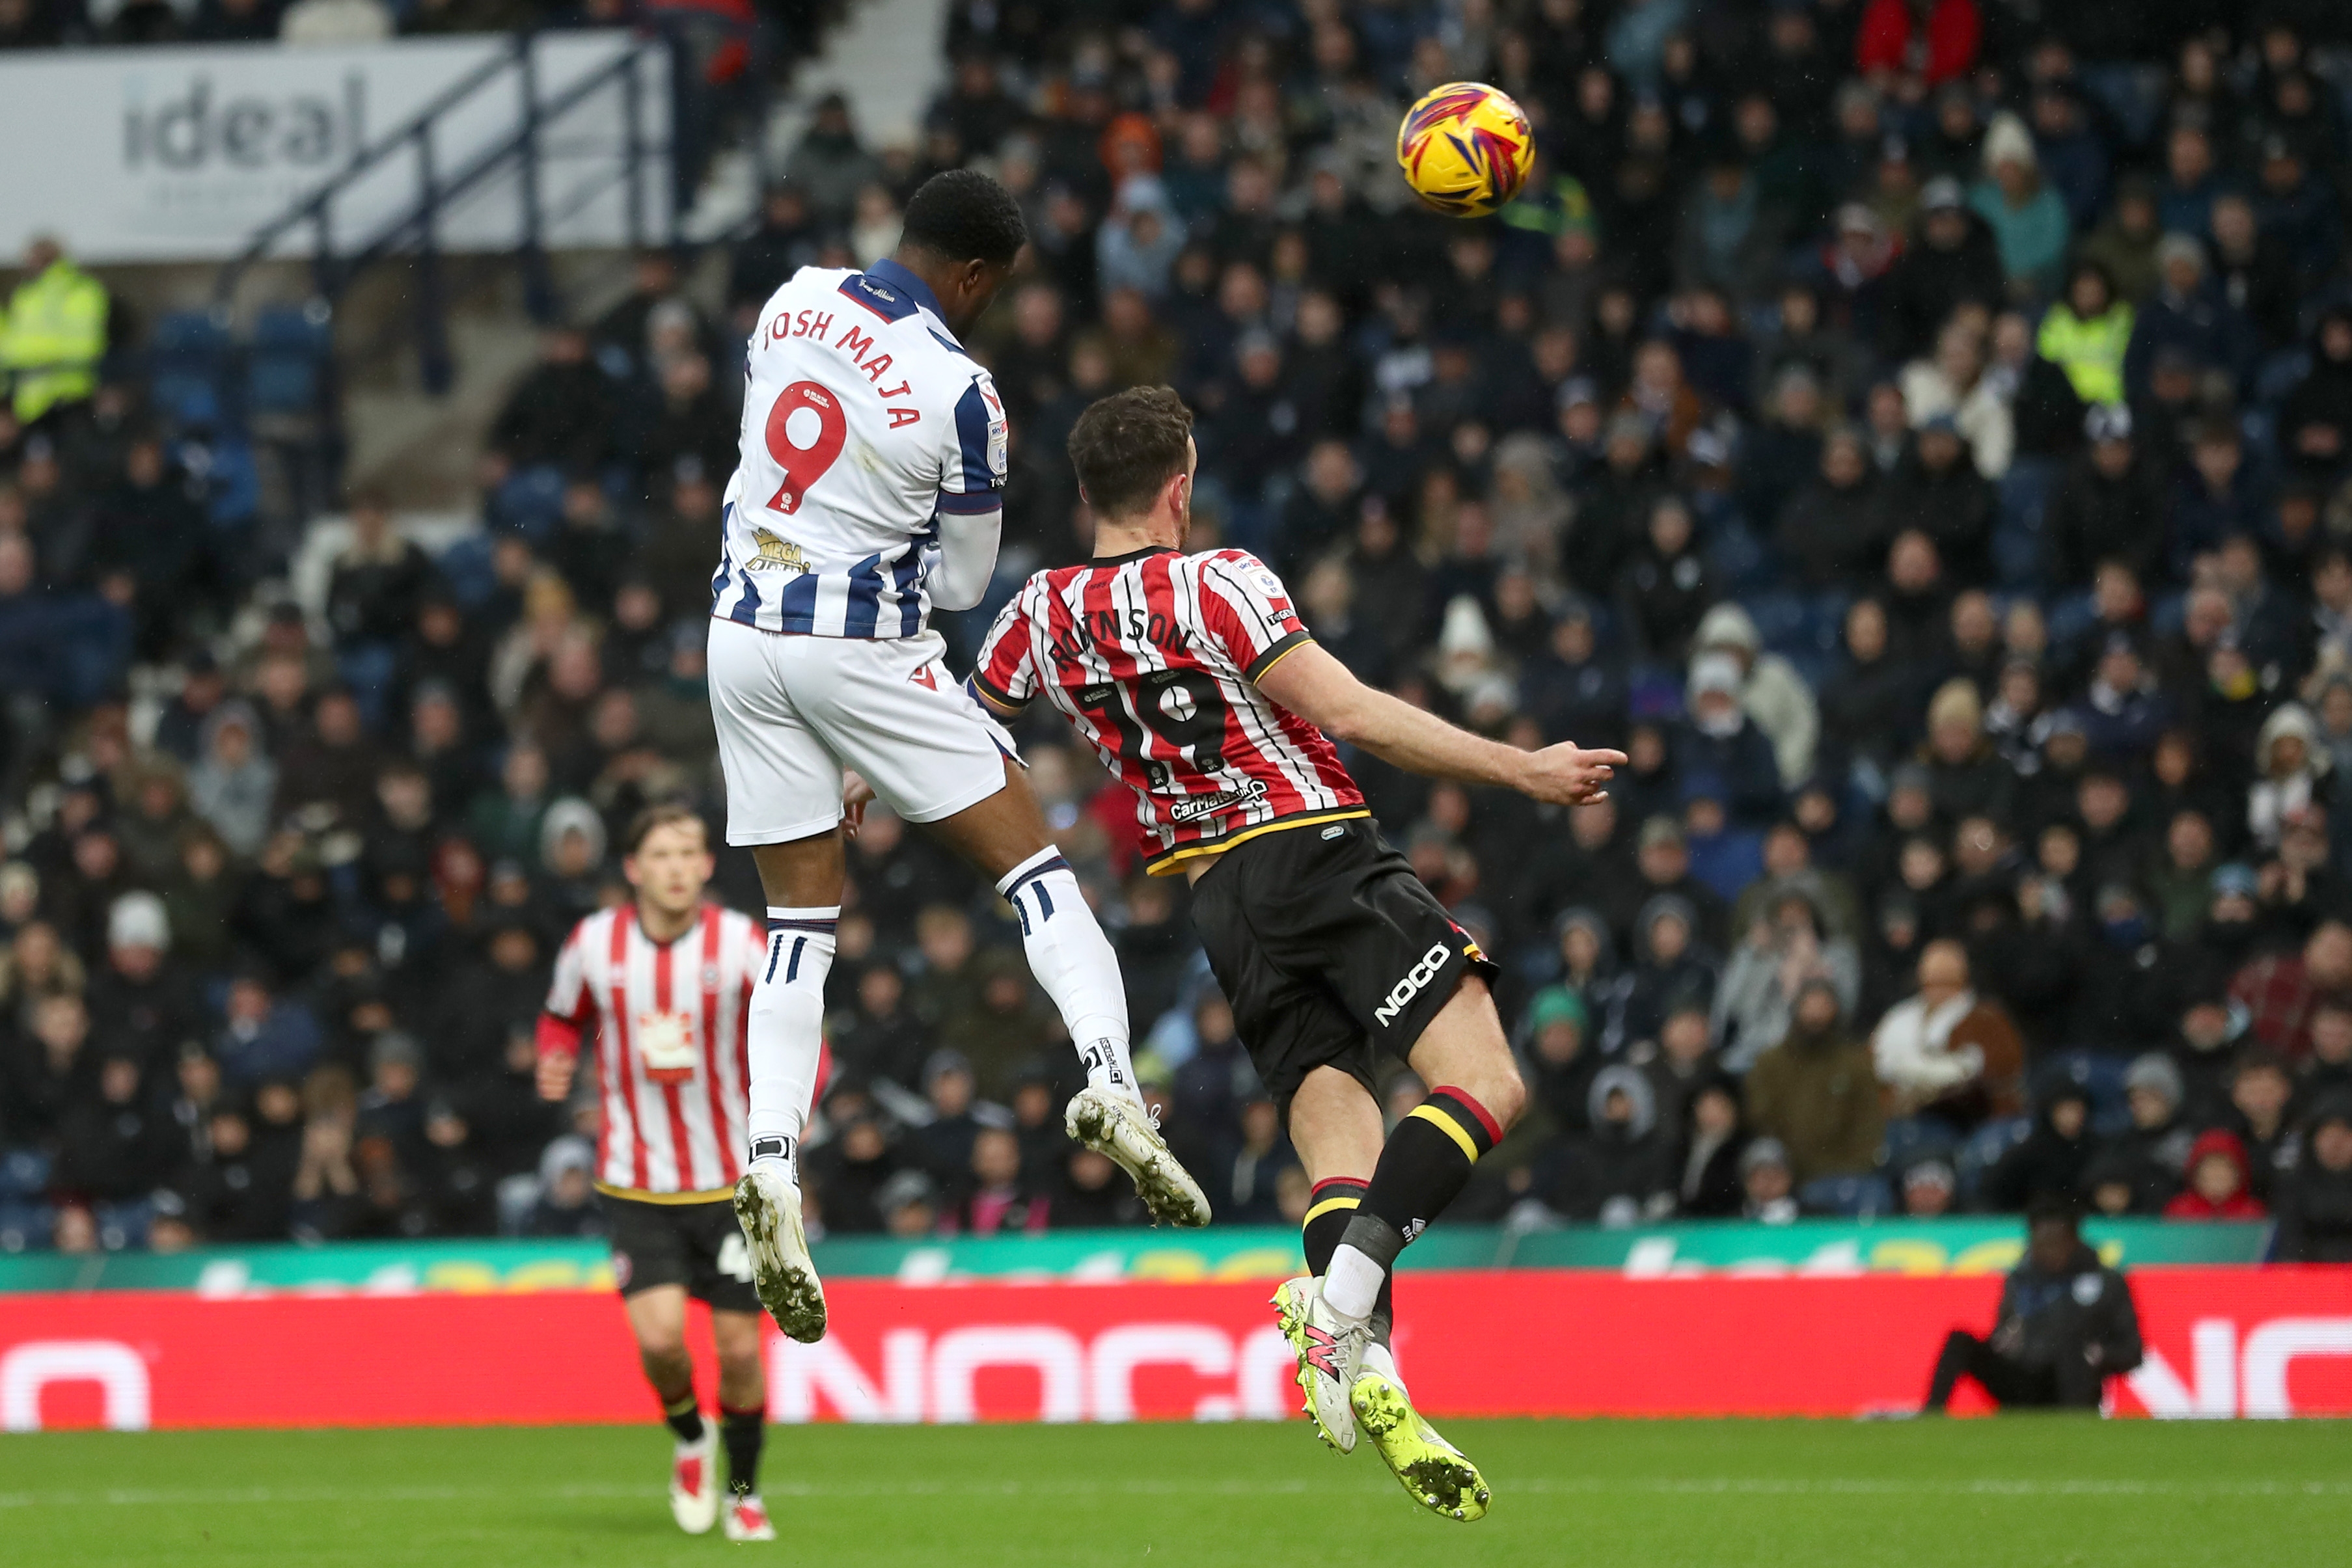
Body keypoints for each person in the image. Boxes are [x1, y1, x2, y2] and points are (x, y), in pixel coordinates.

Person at [970, 385, 1624, 1519]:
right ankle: (1335, 1311)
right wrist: (1521, 769)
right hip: (1314, 852)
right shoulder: (1218, 580)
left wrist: (852, 780)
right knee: (1483, 1081)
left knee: (1341, 1148)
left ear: (1085, 495)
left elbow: (960, 728)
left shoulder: (1037, 612)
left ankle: (1370, 1365)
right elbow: (1355, 713)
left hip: (1220, 904)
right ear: (1178, 488)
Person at [706, 170, 1211, 1349]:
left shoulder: (789, 301)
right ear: (978, 276)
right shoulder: (963, 391)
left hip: (738, 637)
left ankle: (771, 1162)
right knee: (1034, 869)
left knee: (797, 928)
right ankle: (1109, 1079)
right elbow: (962, 585)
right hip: (857, 644)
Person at [533, 804, 778, 1543]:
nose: (676, 867)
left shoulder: (739, 943)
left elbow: (797, 1026)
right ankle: (689, 1437)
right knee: (663, 1342)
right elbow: (559, 1016)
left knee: (738, 1351)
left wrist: (787, 1115)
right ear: (634, 870)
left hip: (729, 1182)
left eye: (689, 853)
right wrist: (554, 1056)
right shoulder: (594, 944)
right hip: (636, 1181)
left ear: (706, 865)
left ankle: (743, 1491)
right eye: (661, 854)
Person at [1922, 1197, 2144, 1413]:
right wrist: (2004, 1340)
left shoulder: (2106, 1282)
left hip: (2073, 1385)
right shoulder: (2022, 1279)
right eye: (2041, 1243)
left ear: (2074, 1242)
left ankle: (2075, 1426)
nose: (2048, 1251)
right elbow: (2003, 1331)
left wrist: (2098, 1354)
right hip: (2022, 1381)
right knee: (1959, 1341)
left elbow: (2132, 1352)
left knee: (2069, 1344)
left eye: (2056, 1242)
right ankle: (1930, 1419)